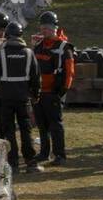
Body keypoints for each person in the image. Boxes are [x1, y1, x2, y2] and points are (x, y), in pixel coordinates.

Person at [0, 23, 42, 174]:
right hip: (23, 98)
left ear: (7, 36)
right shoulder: (29, 53)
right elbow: (36, 77)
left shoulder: (2, 53)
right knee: (26, 129)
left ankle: (13, 162)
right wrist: (36, 95)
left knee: (9, 130)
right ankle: (30, 162)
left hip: (6, 98)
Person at [31, 11, 74, 166]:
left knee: (56, 125)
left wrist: (61, 92)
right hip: (39, 94)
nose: (45, 31)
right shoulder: (38, 46)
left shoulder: (64, 47)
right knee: (42, 125)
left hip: (54, 94)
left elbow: (69, 72)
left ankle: (59, 155)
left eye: (48, 28)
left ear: (55, 28)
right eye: (43, 28)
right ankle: (44, 153)